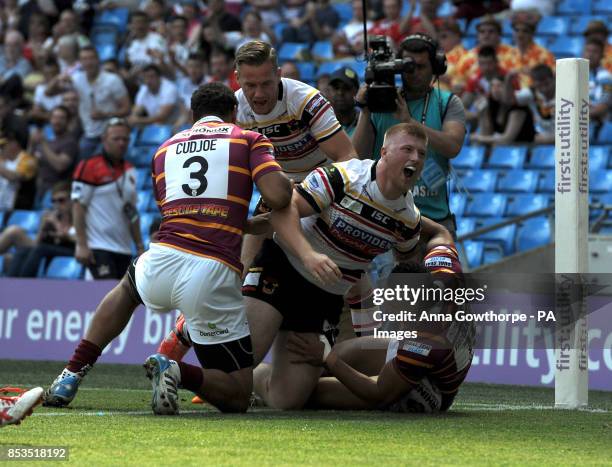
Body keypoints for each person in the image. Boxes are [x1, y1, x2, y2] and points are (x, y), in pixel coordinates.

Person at [43, 82, 293, 414]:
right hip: (211, 271)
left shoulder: (165, 148)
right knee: (236, 394)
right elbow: (278, 197)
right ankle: (176, 369)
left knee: (127, 288)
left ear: (193, 115)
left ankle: (71, 373)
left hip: (161, 260)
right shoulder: (247, 139)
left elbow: (180, 208)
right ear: (234, 113)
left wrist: (243, 223)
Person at [246, 122, 455, 409]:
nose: (416, 159)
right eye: (407, 149)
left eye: (421, 153)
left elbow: (406, 262)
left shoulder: (408, 220)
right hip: (283, 266)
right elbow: (283, 213)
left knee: (287, 400)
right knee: (243, 358)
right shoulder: (344, 176)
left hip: (323, 297)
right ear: (384, 152)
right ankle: (188, 370)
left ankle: (253, 381)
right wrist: (309, 255)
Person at [289, 256, 474, 413]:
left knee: (303, 391)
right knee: (344, 352)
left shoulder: (423, 342)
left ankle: (267, 384)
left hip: (429, 392)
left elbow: (378, 393)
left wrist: (327, 357)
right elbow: (439, 232)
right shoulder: (446, 275)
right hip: (429, 359)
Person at [352, 33, 465, 237]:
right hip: (383, 217)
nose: (414, 73)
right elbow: (357, 158)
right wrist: (365, 111)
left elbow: (453, 146)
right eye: (408, 67)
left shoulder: (447, 102)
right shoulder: (380, 102)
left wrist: (408, 121)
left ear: (436, 68)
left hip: (433, 219)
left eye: (421, 66)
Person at [71, 119, 143, 279]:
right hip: (98, 246)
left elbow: (132, 211)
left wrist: (139, 246)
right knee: (105, 296)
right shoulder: (88, 166)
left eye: (125, 139)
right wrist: (81, 244)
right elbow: (78, 206)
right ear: (104, 140)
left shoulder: (131, 170)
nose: (121, 143)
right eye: (116, 139)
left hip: (124, 248)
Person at [47, 46, 131, 160]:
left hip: (110, 135)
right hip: (89, 134)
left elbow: (127, 109)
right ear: (80, 62)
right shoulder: (77, 79)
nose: (88, 62)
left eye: (91, 58)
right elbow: (49, 93)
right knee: (83, 168)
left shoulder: (112, 80)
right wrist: (58, 78)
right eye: (84, 59)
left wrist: (105, 115)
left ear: (97, 60)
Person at [31, 105, 79, 201]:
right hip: (40, 188)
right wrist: (32, 143)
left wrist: (43, 143)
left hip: (56, 191)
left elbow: (60, 166)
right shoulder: (49, 139)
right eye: (54, 117)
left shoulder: (70, 142)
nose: (57, 121)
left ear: (68, 122)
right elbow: (33, 160)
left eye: (61, 118)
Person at [470, 75, 535, 145]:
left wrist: (479, 138)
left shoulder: (518, 106)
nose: (495, 89)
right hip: (505, 150)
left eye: (499, 86)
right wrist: (482, 114)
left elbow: (507, 139)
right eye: (492, 86)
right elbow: (486, 134)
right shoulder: (493, 105)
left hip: (524, 149)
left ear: (509, 89)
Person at [506, 64, 555, 144]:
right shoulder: (531, 93)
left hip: (565, 136)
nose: (545, 89)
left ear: (553, 79)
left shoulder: (564, 92)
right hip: (543, 137)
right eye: (540, 85)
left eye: (547, 84)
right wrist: (508, 80)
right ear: (534, 84)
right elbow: (509, 100)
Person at [0, 116, 37, 210]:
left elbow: (14, 177)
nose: (2, 149)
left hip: (16, 209)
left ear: (15, 144)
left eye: (4, 145)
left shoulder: (28, 160)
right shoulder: (3, 159)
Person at [327, 67, 360, 137]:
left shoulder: (367, 122)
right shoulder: (321, 124)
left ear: (357, 92)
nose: (340, 92)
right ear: (328, 92)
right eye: (336, 88)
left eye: (346, 88)